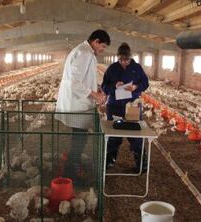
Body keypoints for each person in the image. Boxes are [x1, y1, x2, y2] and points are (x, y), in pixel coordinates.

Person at [55, 30, 110, 180]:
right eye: (102, 46)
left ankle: (73, 163)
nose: (102, 50)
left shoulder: (84, 51)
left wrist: (96, 87)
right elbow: (74, 82)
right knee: (80, 138)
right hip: (77, 104)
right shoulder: (84, 53)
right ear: (96, 41)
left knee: (79, 136)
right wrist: (95, 95)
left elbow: (83, 78)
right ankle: (71, 170)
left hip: (78, 102)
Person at [101, 42, 149, 172]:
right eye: (121, 59)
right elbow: (104, 86)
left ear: (130, 57)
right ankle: (109, 161)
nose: (123, 62)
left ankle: (141, 165)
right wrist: (114, 87)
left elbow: (145, 83)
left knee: (135, 135)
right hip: (115, 105)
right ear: (118, 57)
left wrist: (136, 87)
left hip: (132, 105)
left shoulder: (137, 68)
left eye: (126, 59)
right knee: (113, 134)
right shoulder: (112, 68)